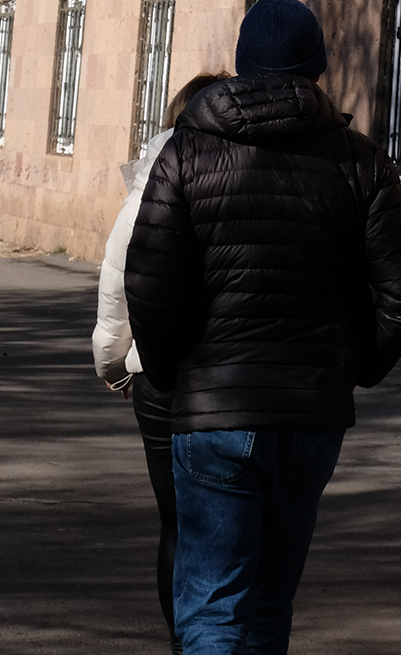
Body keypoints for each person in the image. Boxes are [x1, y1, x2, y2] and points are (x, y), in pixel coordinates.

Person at [124, 0, 401, 655]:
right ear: (317, 68)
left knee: (213, 606)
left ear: (241, 66)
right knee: (269, 604)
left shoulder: (185, 152)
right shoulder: (361, 161)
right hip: (309, 411)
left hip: (212, 408)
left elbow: (148, 279)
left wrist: (173, 373)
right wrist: (351, 369)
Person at [92, 71, 223, 655]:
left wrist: (112, 363)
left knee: (177, 523)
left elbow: (120, 272)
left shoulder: (155, 171)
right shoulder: (254, 163)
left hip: (158, 374)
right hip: (236, 374)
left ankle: (184, 641)